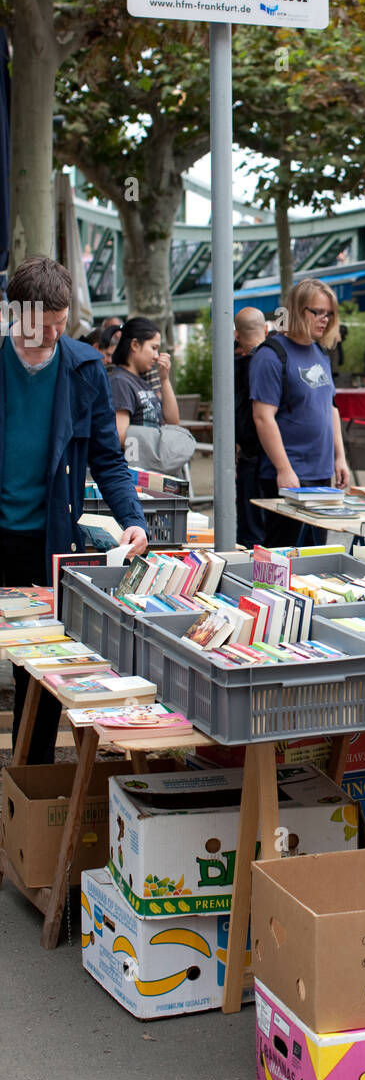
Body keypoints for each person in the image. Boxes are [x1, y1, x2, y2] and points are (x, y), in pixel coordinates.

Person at [0, 257, 147, 763]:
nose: (55, 334)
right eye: (44, 325)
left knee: (37, 668)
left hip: (47, 539)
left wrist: (132, 518)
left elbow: (108, 456)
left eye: (62, 324)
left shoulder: (83, 366)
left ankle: (31, 777)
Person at [249, 277, 350, 548]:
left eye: (328, 313)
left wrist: (340, 458)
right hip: (288, 473)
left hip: (321, 472)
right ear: (297, 310)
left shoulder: (320, 352)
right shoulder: (271, 355)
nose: (324, 319)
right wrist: (284, 469)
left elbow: (330, 408)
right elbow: (262, 416)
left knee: (316, 555)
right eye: (316, 312)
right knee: (284, 555)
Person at [110, 317, 180, 449]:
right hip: (132, 467)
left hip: (147, 465)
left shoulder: (141, 381)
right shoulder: (120, 382)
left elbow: (173, 421)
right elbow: (121, 436)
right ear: (135, 345)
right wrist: (159, 442)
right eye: (153, 348)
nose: (156, 355)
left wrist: (164, 380)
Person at [233, 306, 268, 549]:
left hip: (248, 453)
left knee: (250, 530)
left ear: (237, 335)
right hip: (275, 455)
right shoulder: (274, 363)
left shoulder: (234, 369)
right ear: (266, 329)